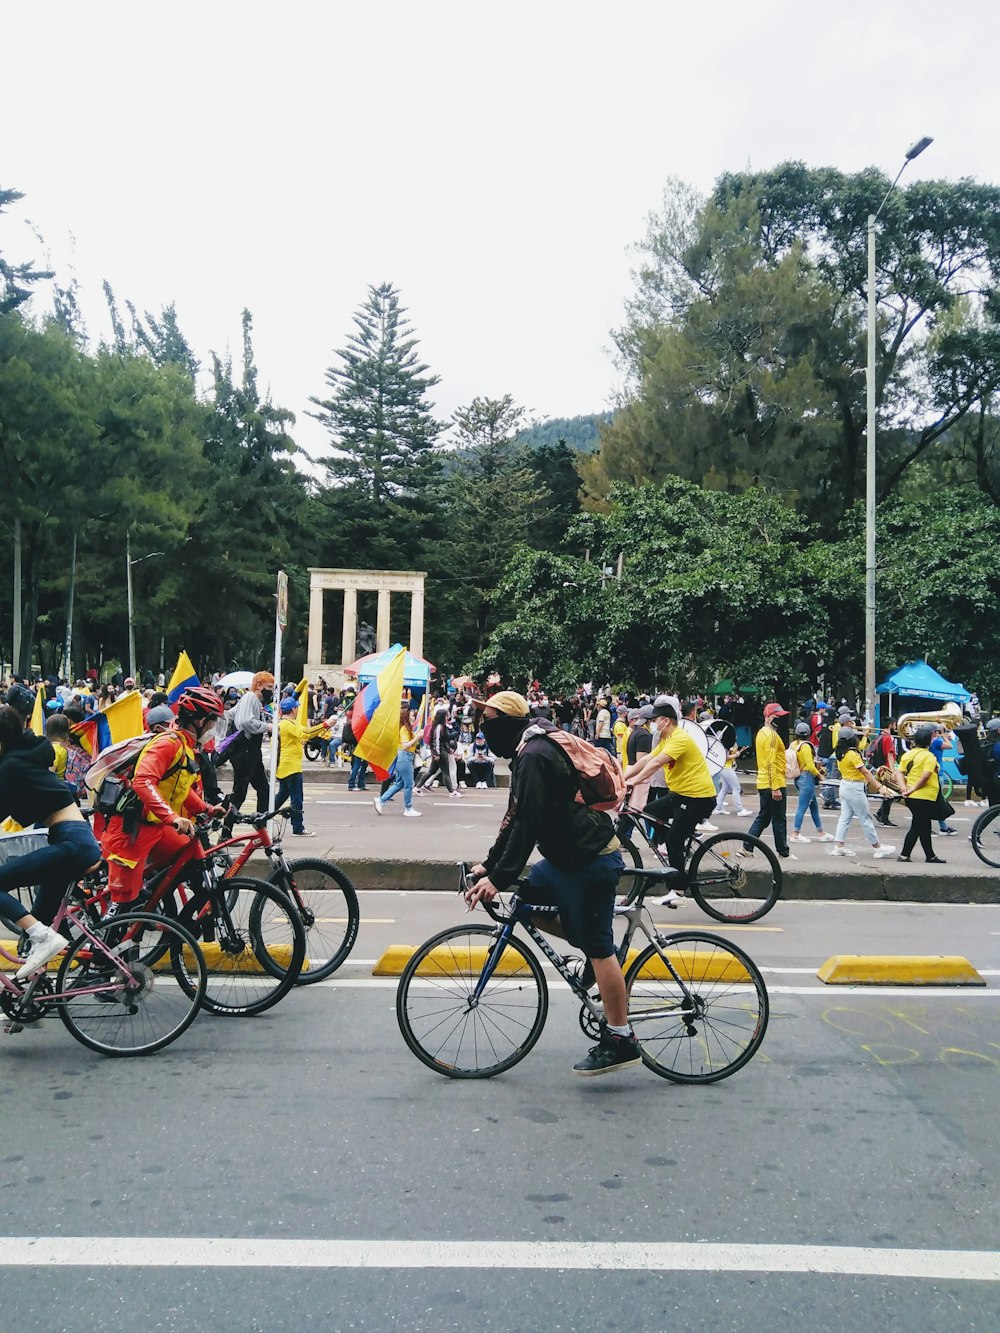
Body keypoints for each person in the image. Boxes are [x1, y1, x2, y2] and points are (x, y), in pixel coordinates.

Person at [462, 691, 637, 1076]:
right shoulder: (527, 751)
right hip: (562, 860)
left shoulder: (536, 755)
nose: (482, 728)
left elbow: (528, 824)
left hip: (590, 860)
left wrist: (499, 877)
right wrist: (488, 866)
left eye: (487, 720)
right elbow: (515, 816)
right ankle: (596, 960)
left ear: (507, 721)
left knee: (598, 945)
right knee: (525, 902)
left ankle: (620, 1037)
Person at [0, 706, 103, 978]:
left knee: (38, 931)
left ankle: (43, 938)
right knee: (39, 920)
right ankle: (35, 988)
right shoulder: (22, 760)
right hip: (74, 841)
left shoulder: (11, 766)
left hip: (72, 844)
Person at [101, 688, 228, 908]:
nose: (212, 728)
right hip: (132, 831)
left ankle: (164, 920)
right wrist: (173, 818)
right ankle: (107, 939)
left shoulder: (185, 746)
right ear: (199, 720)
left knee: (188, 858)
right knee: (123, 907)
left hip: (157, 828)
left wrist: (206, 809)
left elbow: (180, 788)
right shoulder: (167, 744)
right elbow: (142, 781)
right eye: (211, 722)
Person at [623, 700, 716, 907]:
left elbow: (656, 763)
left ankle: (678, 890)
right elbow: (645, 761)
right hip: (682, 794)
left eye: (655, 720)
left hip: (698, 797)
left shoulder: (679, 739)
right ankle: (674, 850)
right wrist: (621, 778)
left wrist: (633, 782)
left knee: (674, 840)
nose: (652, 724)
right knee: (650, 811)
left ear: (666, 721)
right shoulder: (666, 738)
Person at [828, 726, 896, 859]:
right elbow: (864, 772)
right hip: (855, 788)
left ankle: (839, 847)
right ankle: (877, 847)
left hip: (845, 785)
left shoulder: (840, 753)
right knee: (865, 818)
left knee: (844, 818)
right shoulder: (853, 754)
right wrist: (879, 787)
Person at [275, 695, 330, 836]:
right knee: (297, 798)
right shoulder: (288, 724)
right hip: (291, 767)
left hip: (287, 765)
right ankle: (298, 828)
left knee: (282, 796)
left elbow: (305, 735)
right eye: (297, 707)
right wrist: (325, 724)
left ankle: (263, 817)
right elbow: (306, 732)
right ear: (293, 709)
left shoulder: (286, 723)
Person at [747, 703, 792, 858]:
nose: (780, 719)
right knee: (779, 819)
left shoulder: (762, 733)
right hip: (774, 782)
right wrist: (776, 787)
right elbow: (771, 762)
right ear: (768, 716)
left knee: (764, 817)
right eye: (777, 716)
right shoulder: (772, 736)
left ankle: (747, 847)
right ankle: (783, 851)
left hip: (764, 781)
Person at [897, 726, 946, 864]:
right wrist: (912, 789)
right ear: (929, 742)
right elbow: (926, 776)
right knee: (918, 826)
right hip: (924, 796)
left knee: (923, 826)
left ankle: (930, 856)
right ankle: (904, 855)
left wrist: (903, 788)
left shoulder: (908, 754)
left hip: (912, 797)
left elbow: (899, 772)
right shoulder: (929, 756)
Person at [228, 671, 274, 813]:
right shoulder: (250, 697)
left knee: (263, 789)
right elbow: (245, 721)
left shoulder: (251, 700)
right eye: (270, 686)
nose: (271, 691)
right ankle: (226, 829)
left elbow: (232, 714)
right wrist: (266, 726)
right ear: (259, 686)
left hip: (251, 753)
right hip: (245, 752)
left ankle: (261, 825)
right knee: (240, 793)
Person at [789, 721, 834, 843]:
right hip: (806, 778)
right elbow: (810, 765)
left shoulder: (793, 744)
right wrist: (820, 775)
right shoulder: (806, 746)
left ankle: (821, 832)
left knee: (813, 806)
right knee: (802, 807)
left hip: (798, 777)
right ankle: (795, 833)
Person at [373, 706, 422, 817]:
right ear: (406, 716)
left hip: (403, 757)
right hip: (405, 757)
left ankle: (381, 800)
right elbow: (405, 745)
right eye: (412, 715)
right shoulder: (404, 729)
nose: (414, 716)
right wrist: (417, 737)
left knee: (399, 783)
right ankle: (408, 808)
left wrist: (417, 735)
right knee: (409, 784)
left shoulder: (406, 729)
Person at [928, 725, 958, 836]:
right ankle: (942, 827)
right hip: (937, 773)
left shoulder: (930, 742)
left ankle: (943, 826)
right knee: (937, 801)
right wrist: (945, 736)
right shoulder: (936, 742)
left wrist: (944, 737)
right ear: (935, 732)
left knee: (937, 801)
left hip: (932, 772)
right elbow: (950, 746)